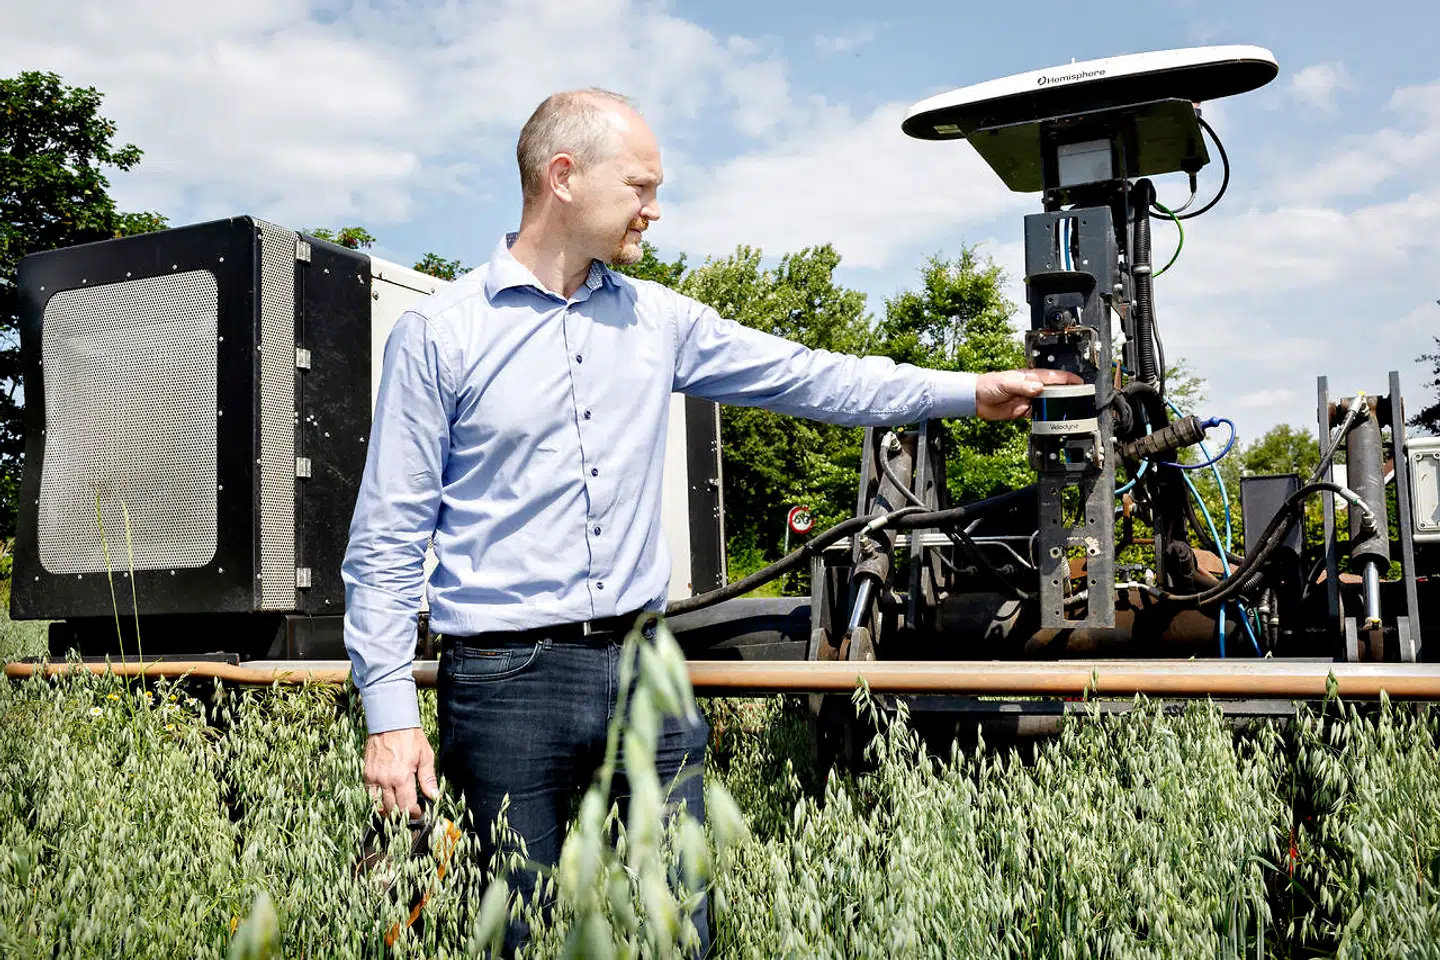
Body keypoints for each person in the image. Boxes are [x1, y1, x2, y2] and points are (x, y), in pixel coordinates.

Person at [341, 87, 1078, 953]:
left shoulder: (659, 322)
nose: (654, 209)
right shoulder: (441, 335)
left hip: (647, 663)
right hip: (505, 682)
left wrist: (968, 391)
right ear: (564, 177)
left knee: (679, 926)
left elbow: (816, 377)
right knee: (515, 933)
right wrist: (389, 716)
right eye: (641, 186)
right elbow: (388, 536)